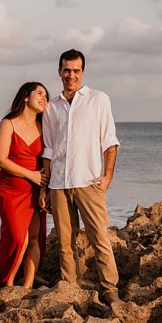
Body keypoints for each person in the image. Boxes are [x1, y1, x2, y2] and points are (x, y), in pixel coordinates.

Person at [40, 49, 122, 304]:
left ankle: (110, 290)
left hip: (88, 181)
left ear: (83, 72)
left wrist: (107, 176)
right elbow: (49, 149)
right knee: (65, 242)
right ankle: (70, 288)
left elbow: (109, 141)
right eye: (67, 70)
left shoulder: (98, 99)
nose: (71, 75)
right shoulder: (51, 107)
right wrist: (44, 187)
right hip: (59, 183)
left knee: (100, 237)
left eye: (76, 71)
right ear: (59, 72)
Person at [0, 82, 50, 289]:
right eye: (39, 93)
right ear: (25, 97)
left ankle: (27, 286)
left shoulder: (45, 126)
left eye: (46, 95)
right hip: (11, 189)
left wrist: (43, 189)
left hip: (35, 189)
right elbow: (0, 160)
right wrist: (31, 175)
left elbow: (47, 160)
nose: (44, 98)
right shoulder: (8, 124)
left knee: (34, 238)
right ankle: (8, 284)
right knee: (17, 237)